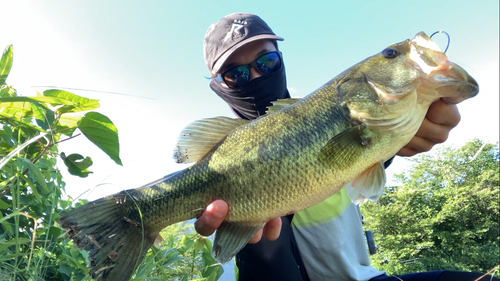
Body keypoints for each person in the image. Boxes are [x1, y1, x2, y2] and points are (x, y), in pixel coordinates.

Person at [195, 13, 498, 281]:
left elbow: (364, 155)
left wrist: (397, 135)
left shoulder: (342, 117)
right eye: (236, 74)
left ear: (281, 59)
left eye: (266, 62)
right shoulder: (215, 160)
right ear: (218, 86)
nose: (257, 76)